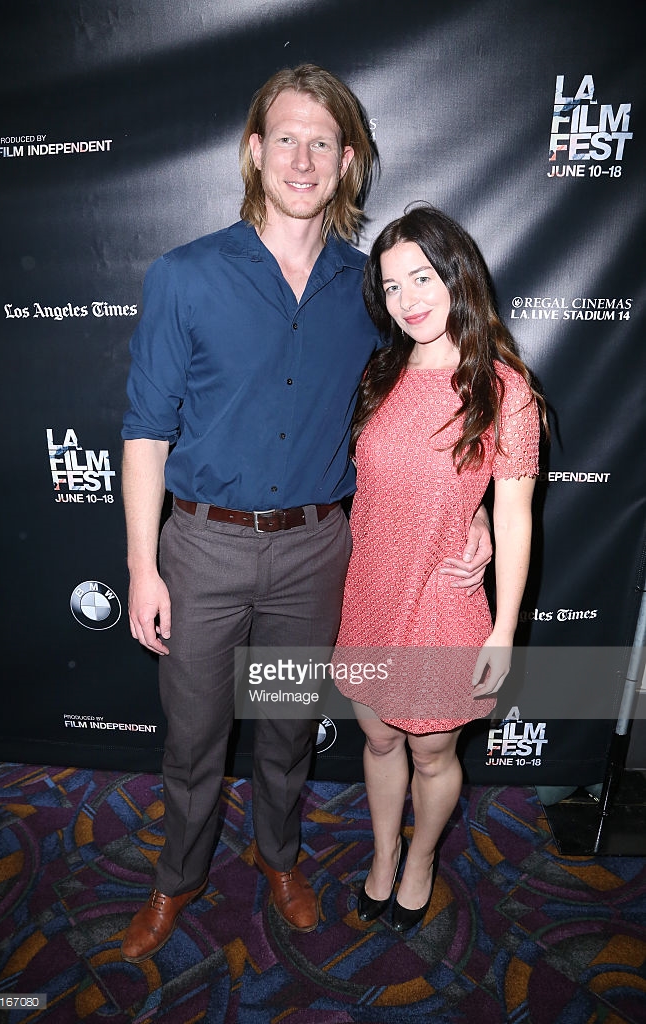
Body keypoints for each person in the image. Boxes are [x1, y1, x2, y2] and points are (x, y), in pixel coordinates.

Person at [119, 67, 492, 963]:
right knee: (196, 738)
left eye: (323, 141)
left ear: (349, 163)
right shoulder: (184, 276)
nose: (303, 156)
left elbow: (432, 412)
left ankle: (279, 860)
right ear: (253, 152)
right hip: (201, 551)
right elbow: (144, 433)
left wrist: (469, 514)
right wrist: (142, 564)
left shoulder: (375, 293)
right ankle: (176, 880)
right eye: (285, 136)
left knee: (286, 730)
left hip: (319, 555)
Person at [334, 204, 546, 932]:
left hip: (439, 600)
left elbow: (515, 513)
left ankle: (419, 858)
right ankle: (382, 856)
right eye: (391, 287)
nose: (407, 299)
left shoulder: (500, 387)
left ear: (457, 276)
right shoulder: (380, 370)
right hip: (366, 590)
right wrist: (471, 511)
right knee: (379, 738)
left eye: (421, 277)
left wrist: (503, 631)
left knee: (428, 751)